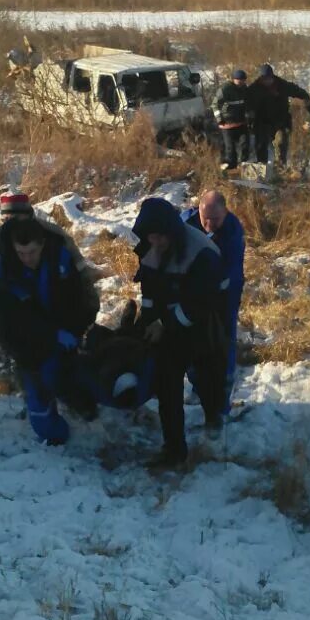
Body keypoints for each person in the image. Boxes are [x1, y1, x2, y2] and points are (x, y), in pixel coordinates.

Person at [0, 211, 99, 445]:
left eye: (32, 252)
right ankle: (56, 434)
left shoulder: (59, 249)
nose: (27, 258)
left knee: (67, 376)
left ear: (42, 244)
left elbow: (80, 287)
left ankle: (88, 412)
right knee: (39, 389)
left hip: (63, 328)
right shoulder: (1, 261)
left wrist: (84, 319)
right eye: (21, 253)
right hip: (25, 340)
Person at [131, 196, 228, 470]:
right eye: (152, 237)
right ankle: (174, 450)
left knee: (207, 377)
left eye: (161, 237)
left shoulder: (201, 253)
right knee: (167, 384)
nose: (157, 242)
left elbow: (200, 304)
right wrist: (148, 321)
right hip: (169, 324)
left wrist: (164, 324)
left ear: (172, 231)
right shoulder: (149, 247)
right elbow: (149, 291)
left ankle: (214, 417)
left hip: (203, 323)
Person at [181, 190, 245, 413]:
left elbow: (230, 272)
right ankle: (197, 386)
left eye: (215, 219)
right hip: (192, 289)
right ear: (198, 210)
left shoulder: (233, 232)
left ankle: (222, 400)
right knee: (190, 338)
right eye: (205, 218)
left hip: (226, 291)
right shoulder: (186, 221)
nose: (209, 225)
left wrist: (210, 294)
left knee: (223, 340)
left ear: (225, 213)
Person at [245, 63, 310, 167]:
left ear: (272, 77)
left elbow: (299, 92)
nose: (267, 81)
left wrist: (308, 103)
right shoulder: (254, 89)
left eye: (269, 78)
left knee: (281, 142)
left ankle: (280, 165)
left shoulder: (282, 85)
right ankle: (262, 166)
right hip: (262, 121)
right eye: (264, 79)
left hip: (281, 120)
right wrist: (249, 117)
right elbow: (247, 104)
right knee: (261, 144)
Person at [211, 68, 250, 170]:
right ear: (233, 79)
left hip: (241, 122)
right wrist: (219, 119)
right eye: (239, 80)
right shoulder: (225, 89)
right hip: (227, 123)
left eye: (243, 80)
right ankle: (230, 167)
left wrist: (249, 115)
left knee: (245, 144)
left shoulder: (244, 89)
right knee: (230, 148)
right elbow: (215, 105)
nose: (241, 82)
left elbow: (247, 104)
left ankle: (244, 165)